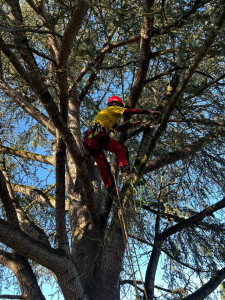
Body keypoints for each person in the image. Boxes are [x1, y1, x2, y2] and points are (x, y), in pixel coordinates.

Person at [83, 95, 160, 195]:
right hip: (96, 135)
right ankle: (126, 175)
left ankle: (112, 191)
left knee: (103, 165)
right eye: (120, 105)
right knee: (121, 149)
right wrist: (149, 112)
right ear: (115, 103)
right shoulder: (113, 108)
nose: (120, 109)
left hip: (88, 140)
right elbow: (130, 111)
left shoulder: (107, 115)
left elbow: (118, 128)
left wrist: (132, 124)